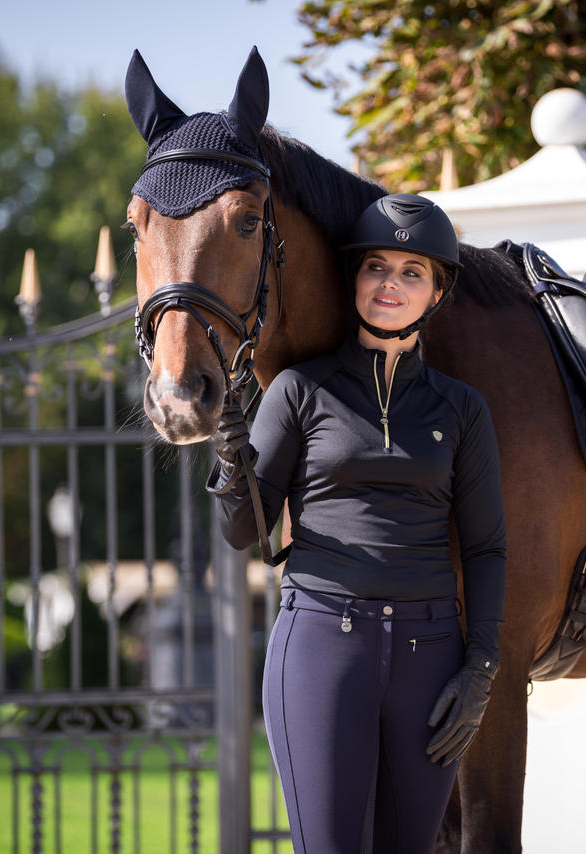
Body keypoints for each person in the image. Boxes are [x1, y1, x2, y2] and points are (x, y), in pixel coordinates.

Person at [206, 193, 507, 854]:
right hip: (321, 645)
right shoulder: (299, 390)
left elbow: (485, 547)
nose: (390, 284)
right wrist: (230, 463)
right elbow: (239, 529)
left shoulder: (461, 409)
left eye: (411, 271)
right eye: (376, 266)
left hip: (431, 657)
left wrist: (480, 667)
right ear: (354, 279)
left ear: (437, 291)